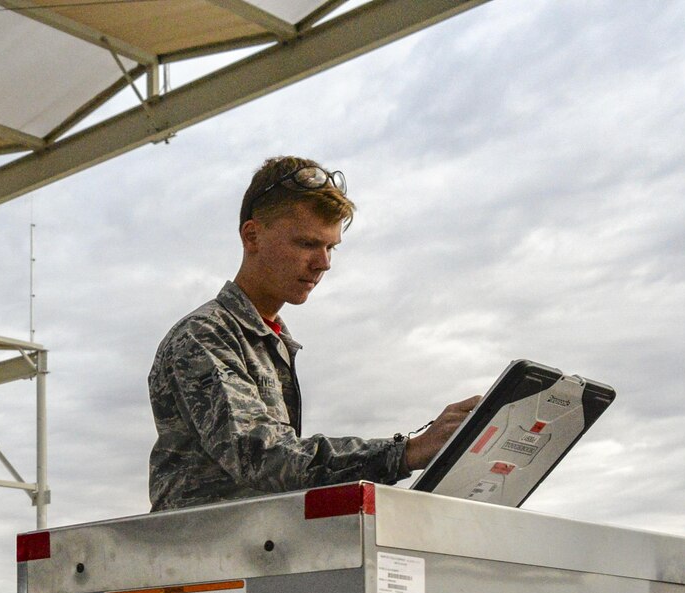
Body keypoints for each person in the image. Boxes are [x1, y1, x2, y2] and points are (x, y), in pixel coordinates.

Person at [147, 156, 481, 512]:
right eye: (307, 244)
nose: (324, 262)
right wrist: (409, 451)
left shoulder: (268, 338)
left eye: (330, 247)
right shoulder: (204, 335)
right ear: (252, 236)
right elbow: (261, 456)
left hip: (251, 555)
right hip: (199, 561)